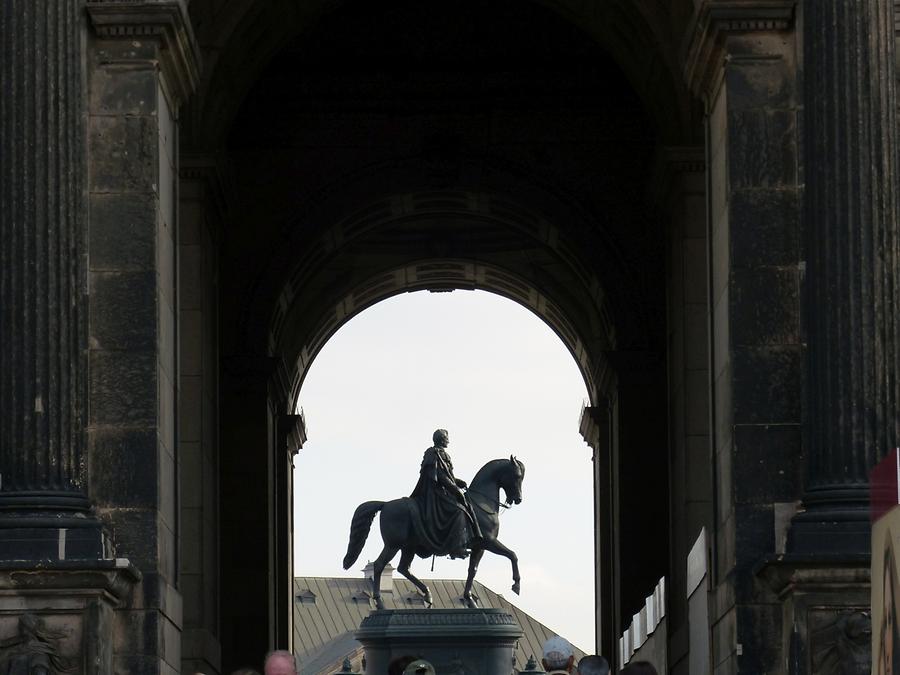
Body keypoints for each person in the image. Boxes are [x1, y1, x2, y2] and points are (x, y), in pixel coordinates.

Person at [410, 428, 482, 558]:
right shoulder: (434, 453)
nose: (448, 440)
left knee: (465, 506)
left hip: (442, 489)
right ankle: (456, 547)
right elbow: (441, 477)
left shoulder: (441, 454)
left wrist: (459, 483)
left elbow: (448, 476)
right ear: (442, 439)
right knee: (459, 512)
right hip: (435, 493)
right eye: (447, 438)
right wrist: (456, 490)